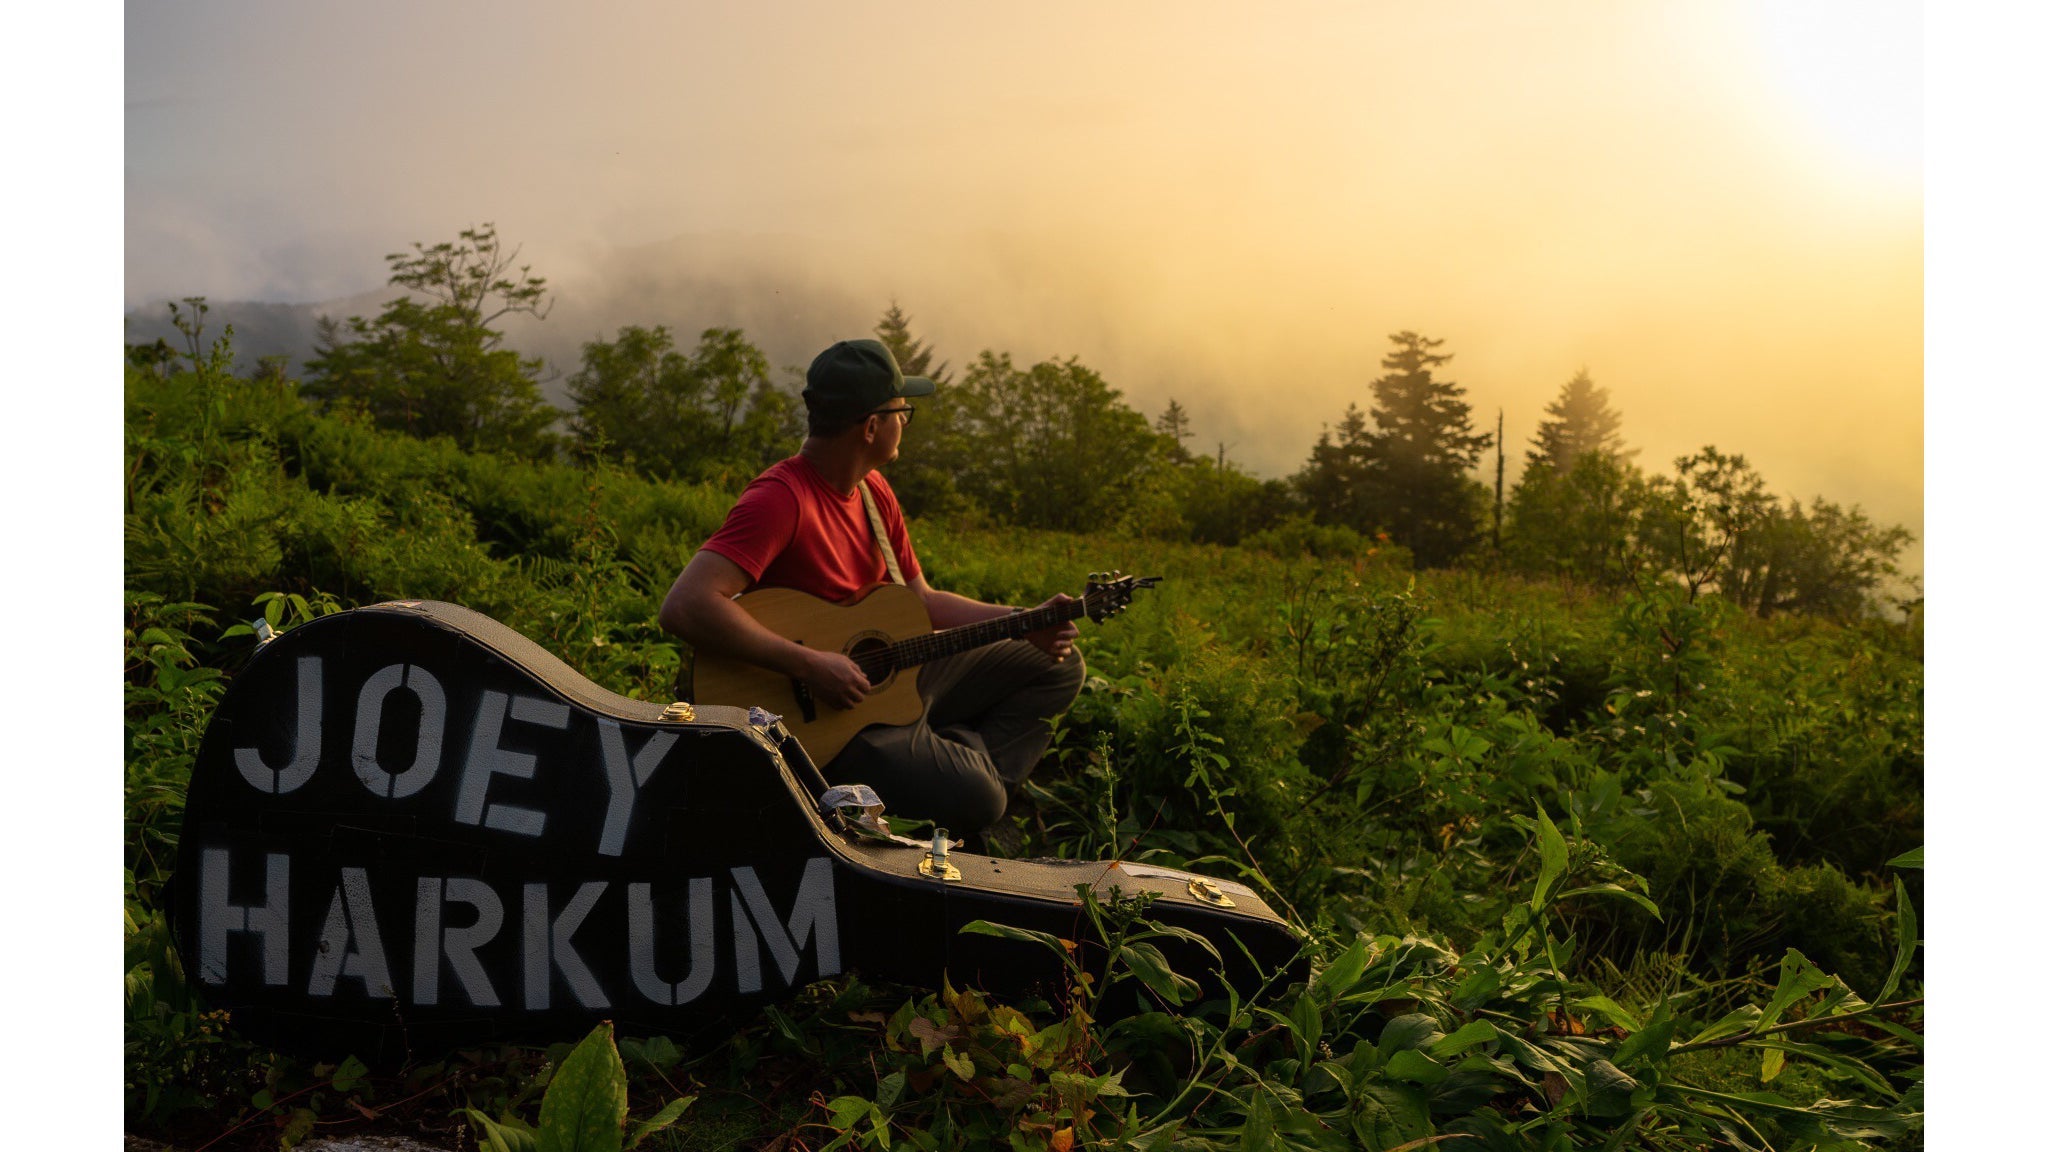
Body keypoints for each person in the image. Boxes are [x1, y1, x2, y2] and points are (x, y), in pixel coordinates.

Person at [658, 338, 1085, 839]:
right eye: (902, 411)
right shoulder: (780, 498)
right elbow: (686, 605)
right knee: (983, 799)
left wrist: (1024, 620)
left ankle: (941, 749)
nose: (905, 421)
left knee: (1057, 664)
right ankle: (942, 766)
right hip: (831, 720)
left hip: (895, 675)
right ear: (870, 427)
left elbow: (922, 601)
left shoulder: (872, 490)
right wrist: (810, 664)